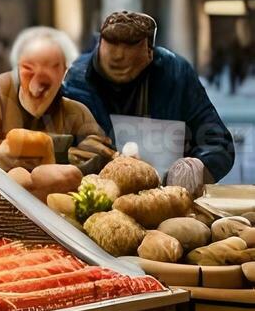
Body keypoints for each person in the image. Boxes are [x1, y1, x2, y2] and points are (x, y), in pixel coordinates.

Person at [62, 10, 235, 183]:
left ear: (149, 51)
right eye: (111, 43)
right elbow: (50, 142)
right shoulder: (77, 78)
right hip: (93, 194)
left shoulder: (175, 73)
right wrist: (69, 156)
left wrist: (196, 168)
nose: (119, 55)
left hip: (165, 195)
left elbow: (218, 142)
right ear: (100, 42)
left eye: (130, 46)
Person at [0, 27, 115, 173]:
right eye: (28, 69)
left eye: (51, 69)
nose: (36, 84)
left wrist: (61, 157)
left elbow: (99, 148)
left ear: (63, 73)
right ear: (17, 67)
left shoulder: (74, 110)